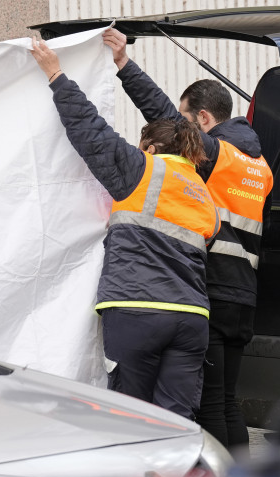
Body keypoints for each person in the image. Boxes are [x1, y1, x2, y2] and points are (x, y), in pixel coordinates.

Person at [30, 37, 219, 421]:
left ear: (150, 148)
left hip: (138, 311)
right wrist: (123, 65)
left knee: (131, 418)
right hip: (192, 318)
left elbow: (91, 131)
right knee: (177, 421)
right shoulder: (203, 192)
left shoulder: (142, 170)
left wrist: (55, 75)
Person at [103, 28, 273, 451]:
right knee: (228, 401)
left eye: (187, 121)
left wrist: (124, 65)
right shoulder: (261, 168)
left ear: (204, 121)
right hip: (245, 296)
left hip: (211, 287)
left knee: (210, 405)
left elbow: (162, 114)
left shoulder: (219, 155)